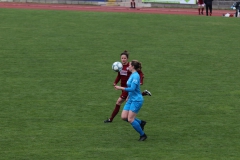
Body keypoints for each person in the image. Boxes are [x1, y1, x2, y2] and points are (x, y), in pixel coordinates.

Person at [104, 51, 151, 123]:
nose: (123, 59)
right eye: (122, 58)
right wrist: (115, 82)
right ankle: (143, 93)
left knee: (118, 102)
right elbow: (119, 76)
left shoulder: (130, 66)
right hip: (123, 88)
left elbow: (141, 73)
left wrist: (141, 81)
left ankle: (111, 119)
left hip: (128, 89)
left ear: (127, 59)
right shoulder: (120, 66)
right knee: (128, 99)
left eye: (125, 58)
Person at [115, 60, 147, 141]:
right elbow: (131, 88)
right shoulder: (132, 74)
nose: (128, 66)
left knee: (130, 119)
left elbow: (132, 88)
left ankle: (143, 135)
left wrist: (120, 88)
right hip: (130, 99)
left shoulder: (136, 76)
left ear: (133, 67)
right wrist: (128, 96)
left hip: (137, 100)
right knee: (123, 117)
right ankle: (140, 123)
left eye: (129, 65)